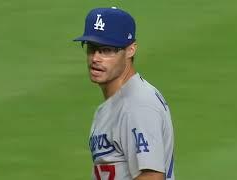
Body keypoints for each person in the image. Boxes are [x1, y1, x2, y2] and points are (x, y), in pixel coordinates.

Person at [74, 7, 175, 180]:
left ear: (130, 50)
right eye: (91, 48)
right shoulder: (118, 102)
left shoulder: (138, 105)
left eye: (106, 50)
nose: (95, 58)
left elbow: (152, 176)